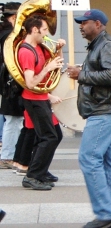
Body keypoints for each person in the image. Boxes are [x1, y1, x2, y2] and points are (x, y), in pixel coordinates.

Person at [67, 9, 111, 228]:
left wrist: (81, 74)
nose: (81, 26)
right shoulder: (99, 45)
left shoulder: (108, 45)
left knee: (89, 158)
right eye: (80, 23)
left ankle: (106, 213)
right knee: (107, 164)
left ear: (99, 24)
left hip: (105, 112)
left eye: (85, 22)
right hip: (105, 111)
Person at [18, 15, 65, 191]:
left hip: (42, 97)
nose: (47, 34)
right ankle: (32, 175)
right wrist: (47, 68)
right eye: (44, 30)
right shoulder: (26, 51)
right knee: (48, 137)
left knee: (55, 135)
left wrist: (59, 50)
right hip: (33, 99)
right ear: (35, 29)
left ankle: (41, 171)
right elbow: (30, 83)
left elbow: (57, 64)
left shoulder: (39, 46)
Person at [0, 2, 23, 170]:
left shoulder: (4, 33)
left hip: (7, 82)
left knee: (12, 119)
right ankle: (7, 155)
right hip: (10, 83)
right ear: (14, 17)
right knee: (13, 119)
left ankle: (9, 153)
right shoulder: (9, 35)